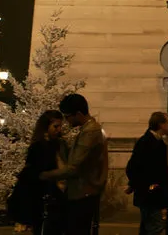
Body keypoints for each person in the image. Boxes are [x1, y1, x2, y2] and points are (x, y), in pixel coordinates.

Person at [40, 94, 108, 235]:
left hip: (82, 193)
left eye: (68, 116)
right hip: (85, 192)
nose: (66, 120)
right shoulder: (90, 130)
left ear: (78, 114)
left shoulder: (90, 132)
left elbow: (73, 167)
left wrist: (44, 175)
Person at [7, 110, 68, 235]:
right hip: (40, 196)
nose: (58, 130)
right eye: (55, 126)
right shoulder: (38, 146)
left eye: (60, 126)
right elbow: (33, 172)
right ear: (46, 127)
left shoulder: (58, 144)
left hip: (52, 195)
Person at [126, 112, 168, 235]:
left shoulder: (158, 142)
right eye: (167, 122)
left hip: (152, 193)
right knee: (155, 227)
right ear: (161, 124)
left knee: (147, 227)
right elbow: (133, 167)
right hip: (150, 194)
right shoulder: (146, 142)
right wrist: (144, 186)